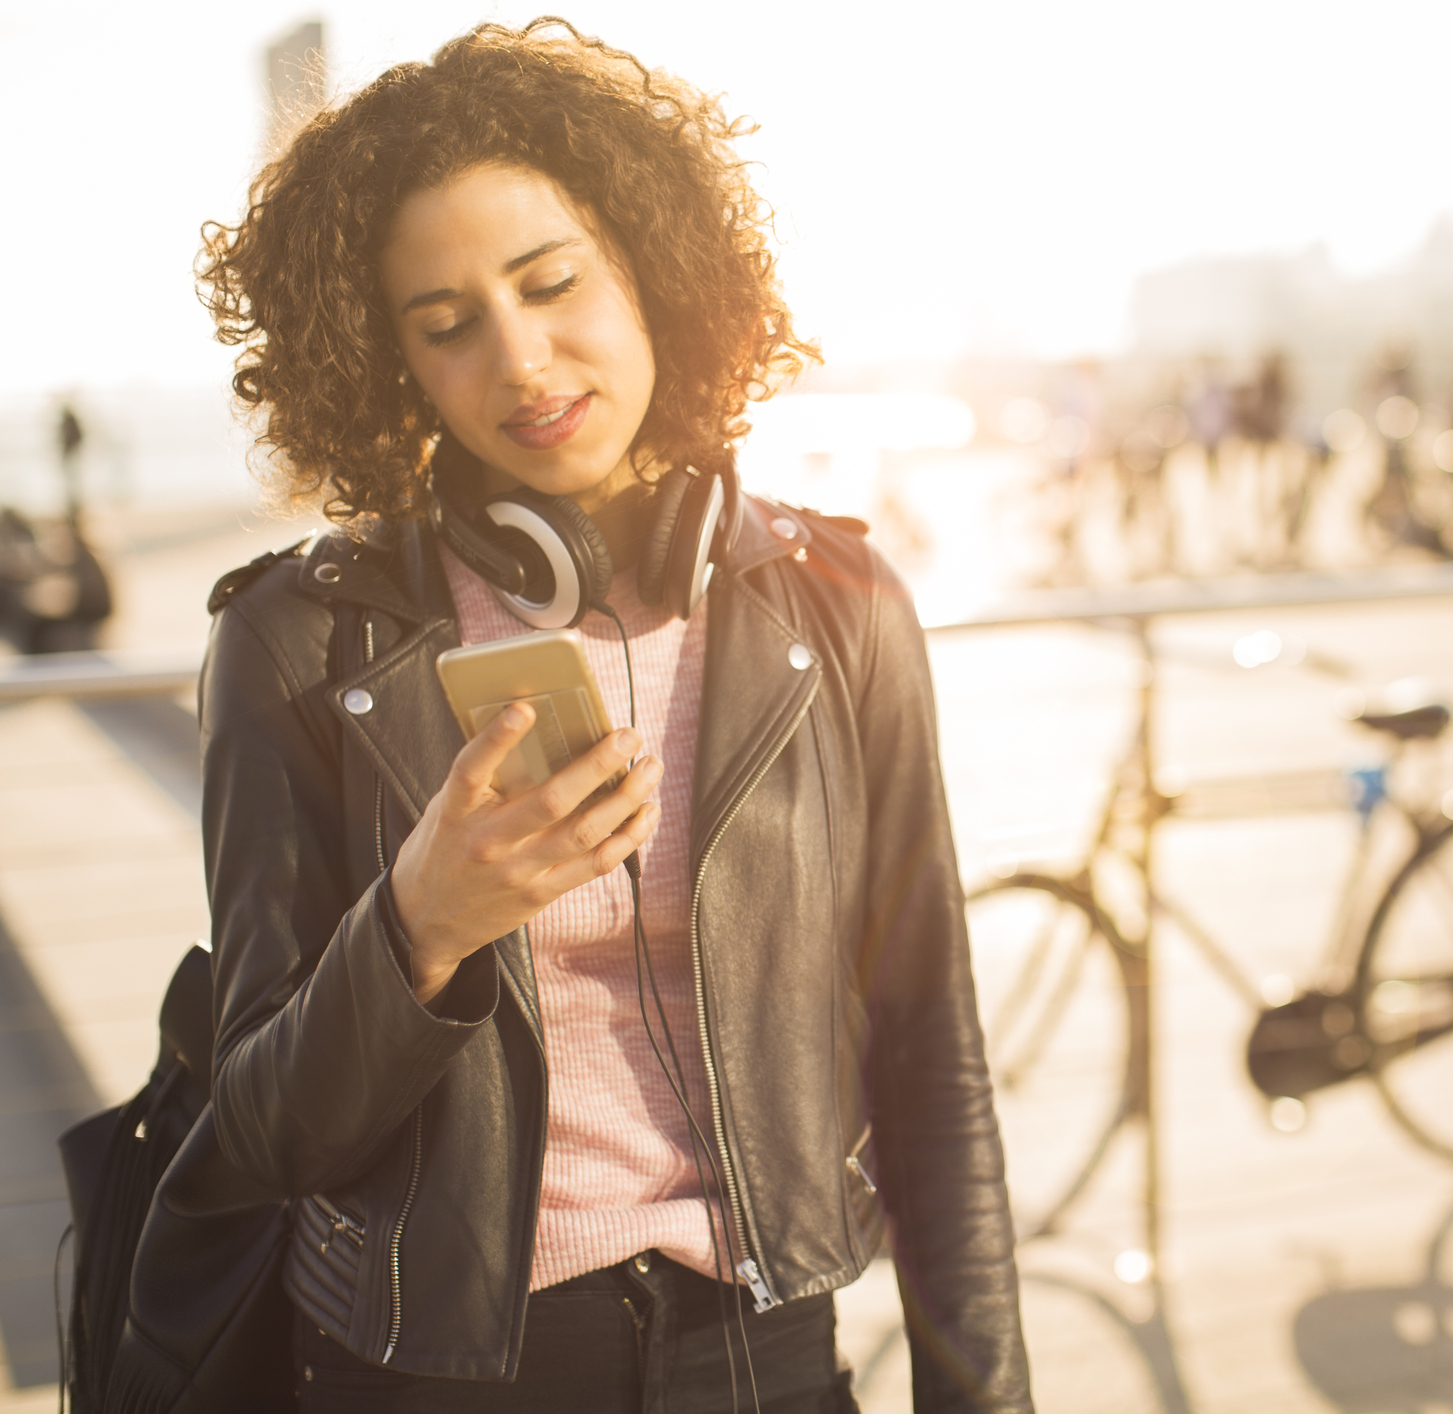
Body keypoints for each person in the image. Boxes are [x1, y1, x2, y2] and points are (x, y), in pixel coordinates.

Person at [169, 20, 1030, 1412]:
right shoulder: (294, 638)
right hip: (431, 1369)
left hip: (764, 1346)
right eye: (447, 327)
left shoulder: (839, 605)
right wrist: (421, 925)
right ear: (394, 366)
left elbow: (932, 1047)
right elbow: (261, 1131)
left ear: (650, 269)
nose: (520, 358)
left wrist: (982, 1392)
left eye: (552, 282)